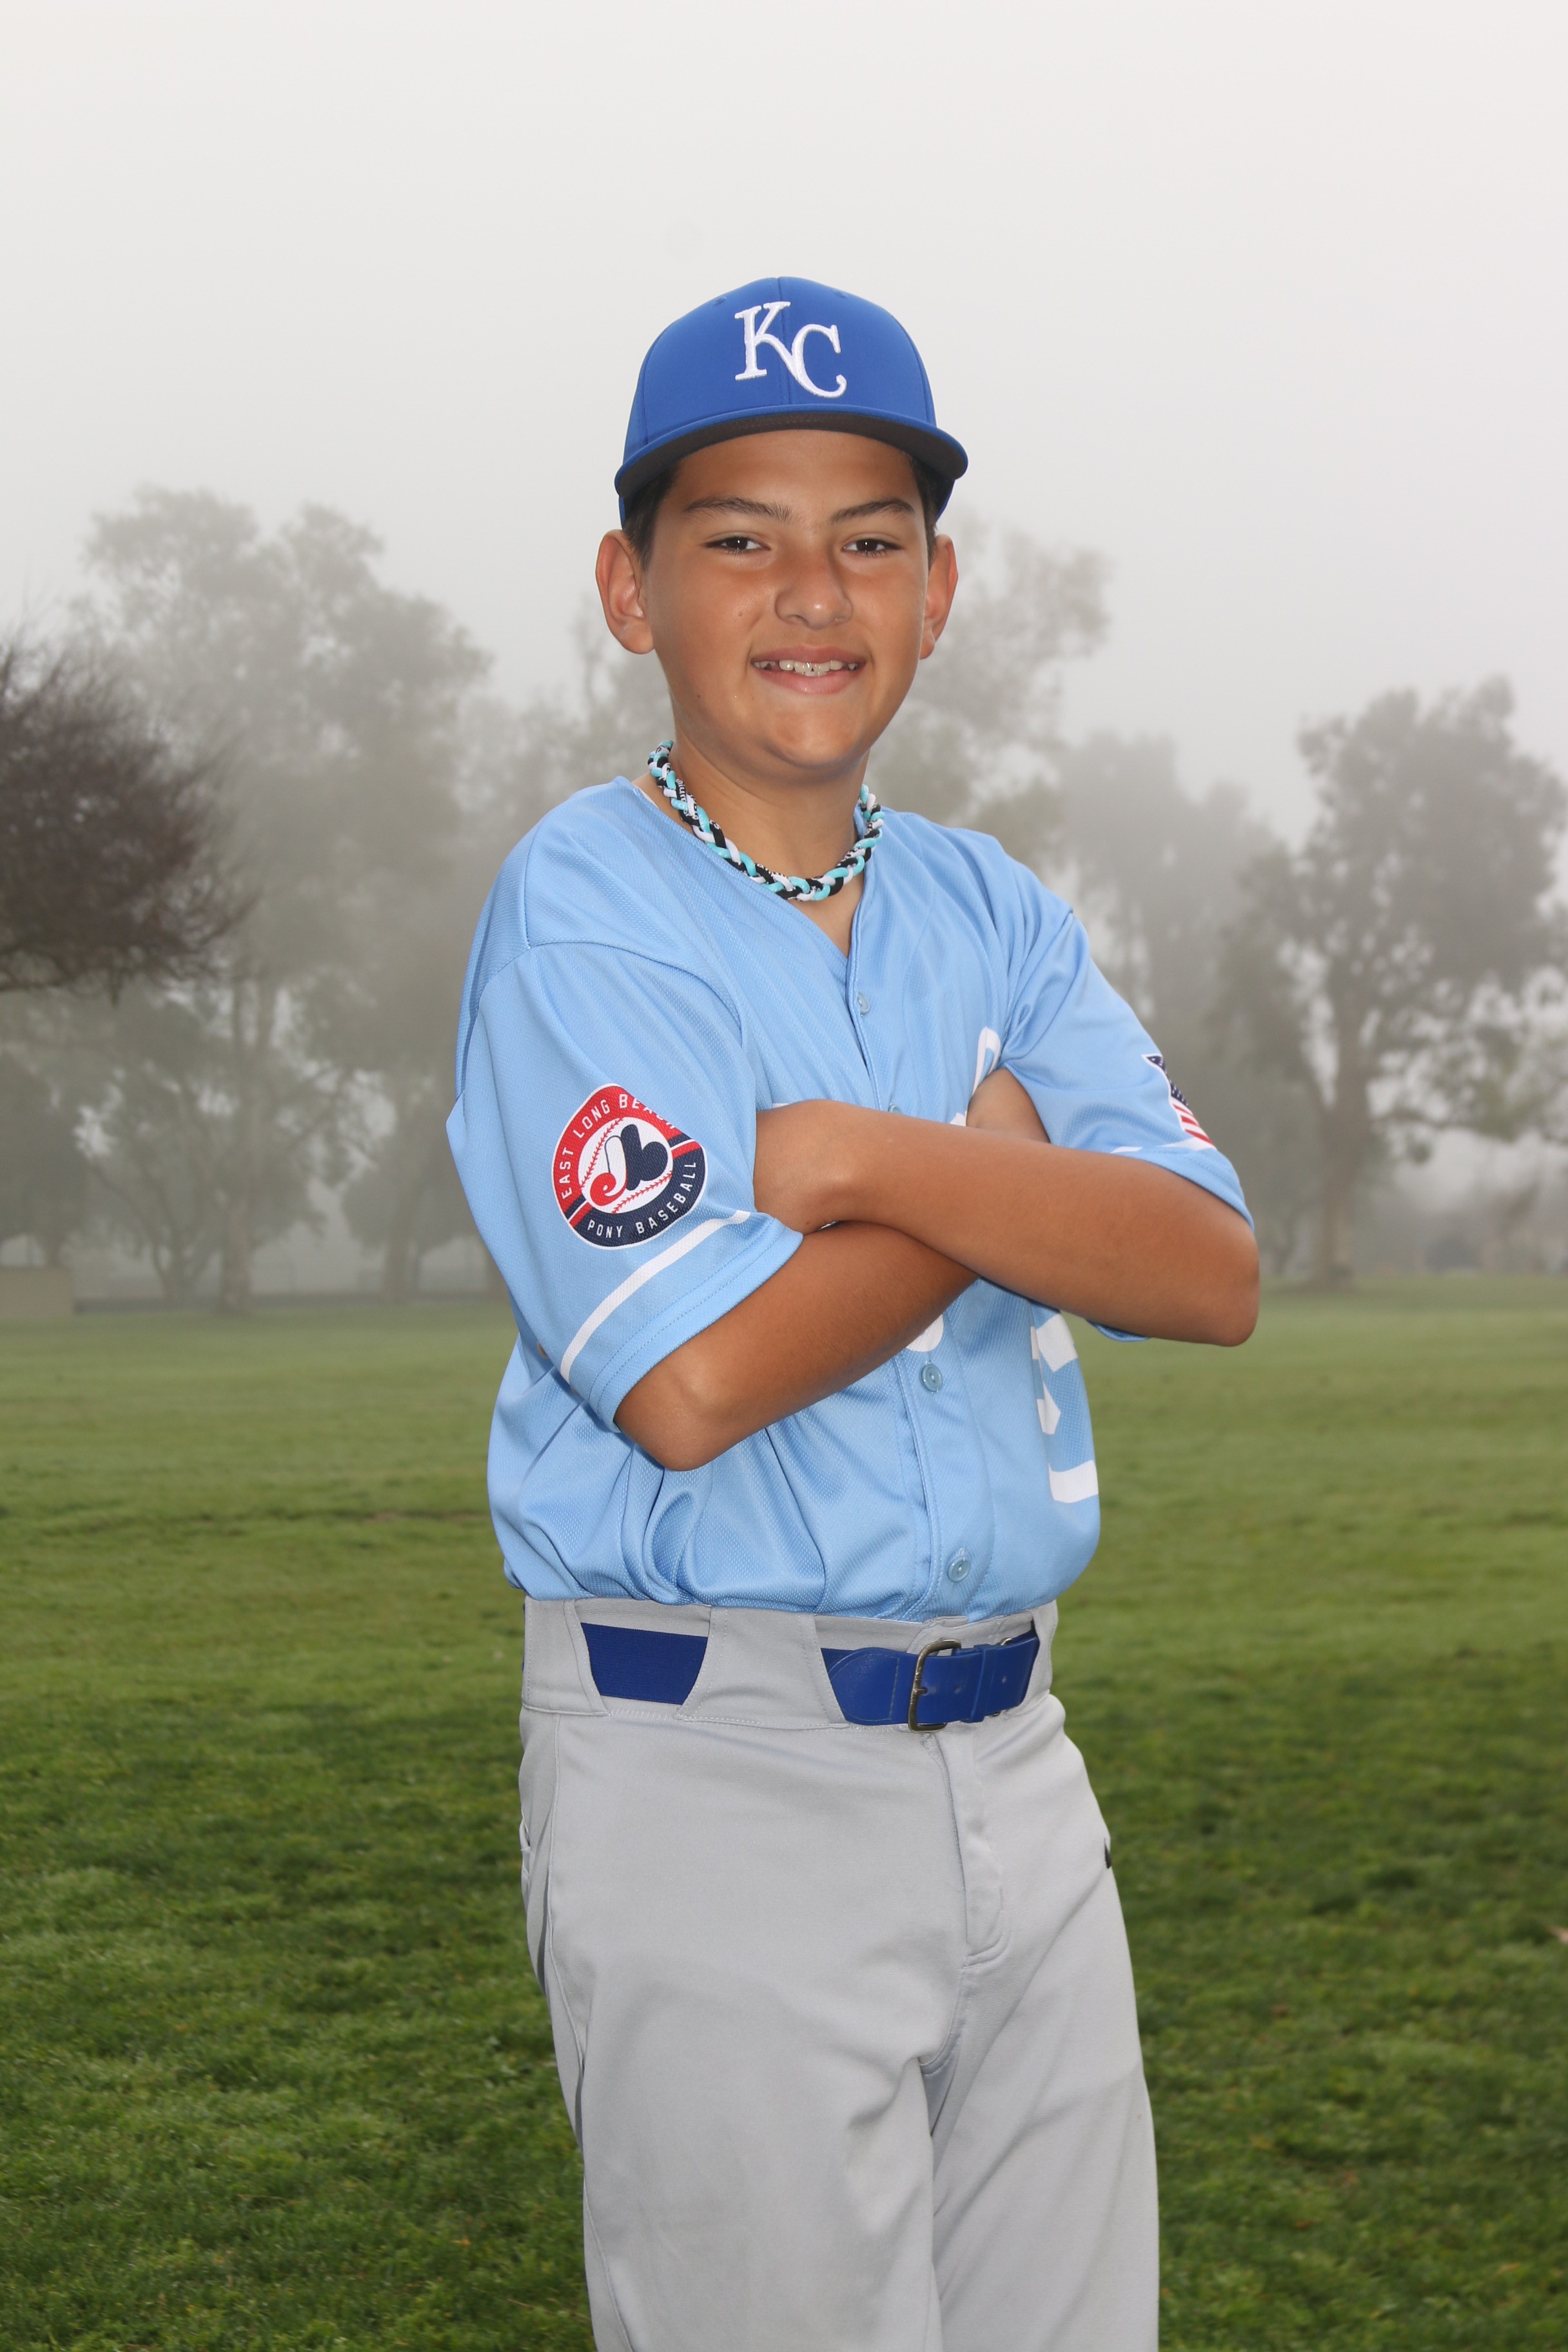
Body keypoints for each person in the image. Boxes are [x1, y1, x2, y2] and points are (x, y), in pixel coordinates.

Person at [448, 275, 1258, 2352]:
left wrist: (875, 1164)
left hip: (1022, 1763)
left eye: (869, 538)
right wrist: (1003, 1183)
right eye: (740, 535)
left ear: (938, 590)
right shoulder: (583, 904)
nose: (813, 590)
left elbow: (1207, 1267)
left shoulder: (996, 906)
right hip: (713, 1762)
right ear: (630, 589)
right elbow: (693, 1375)